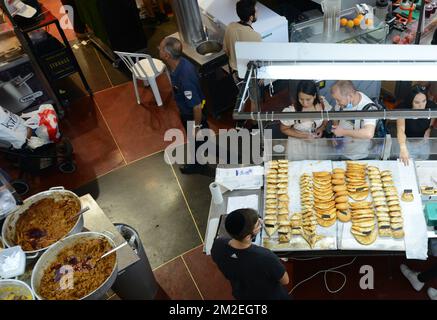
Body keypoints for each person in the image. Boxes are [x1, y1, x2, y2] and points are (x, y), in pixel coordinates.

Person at [211, 208, 290, 300]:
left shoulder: (217, 245)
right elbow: (285, 280)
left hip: (242, 293)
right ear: (248, 236)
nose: (260, 223)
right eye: (257, 224)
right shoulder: (266, 257)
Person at [158, 37, 210, 175]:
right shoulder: (181, 64)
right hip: (190, 113)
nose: (158, 48)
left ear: (167, 55)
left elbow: (197, 106)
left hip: (193, 117)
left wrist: (196, 127)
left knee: (199, 140)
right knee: (200, 142)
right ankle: (199, 160)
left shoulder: (184, 78)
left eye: (161, 48)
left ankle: (198, 166)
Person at [223, 0, 262, 117]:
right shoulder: (255, 37)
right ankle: (255, 126)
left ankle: (240, 121)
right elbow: (258, 61)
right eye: (256, 11)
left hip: (235, 73)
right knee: (255, 99)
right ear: (251, 17)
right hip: (249, 75)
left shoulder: (230, 27)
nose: (258, 12)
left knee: (242, 97)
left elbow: (225, 49)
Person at [280, 80, 332, 160]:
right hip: (297, 147)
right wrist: (304, 136)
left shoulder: (322, 104)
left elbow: (326, 119)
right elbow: (284, 129)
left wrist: (321, 128)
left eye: (308, 99)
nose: (305, 103)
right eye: (301, 99)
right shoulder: (293, 110)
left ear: (314, 96)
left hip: (316, 145)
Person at [330, 80, 377, 160]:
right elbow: (335, 114)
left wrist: (343, 132)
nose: (337, 103)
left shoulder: (368, 108)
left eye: (338, 100)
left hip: (361, 156)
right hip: (343, 152)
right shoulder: (341, 103)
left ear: (350, 96)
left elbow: (369, 133)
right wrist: (336, 134)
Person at [397, 85, 437, 166]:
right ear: (410, 101)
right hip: (407, 144)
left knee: (422, 167)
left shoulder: (431, 106)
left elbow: (433, 116)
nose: (421, 105)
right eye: (417, 102)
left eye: (424, 101)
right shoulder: (403, 108)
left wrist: (430, 128)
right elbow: (400, 129)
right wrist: (403, 148)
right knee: (407, 168)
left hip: (424, 143)